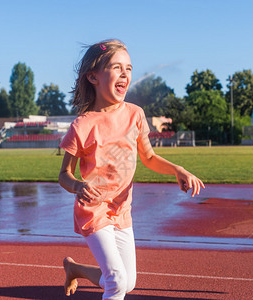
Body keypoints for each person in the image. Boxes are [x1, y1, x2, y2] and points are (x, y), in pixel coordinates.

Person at [58, 39, 205, 300]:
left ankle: (75, 269)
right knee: (116, 282)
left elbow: (149, 157)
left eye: (129, 68)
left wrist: (177, 170)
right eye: (116, 67)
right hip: (94, 210)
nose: (125, 73)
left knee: (128, 283)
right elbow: (64, 175)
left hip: (122, 209)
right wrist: (78, 186)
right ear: (93, 76)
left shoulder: (135, 114)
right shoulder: (82, 126)